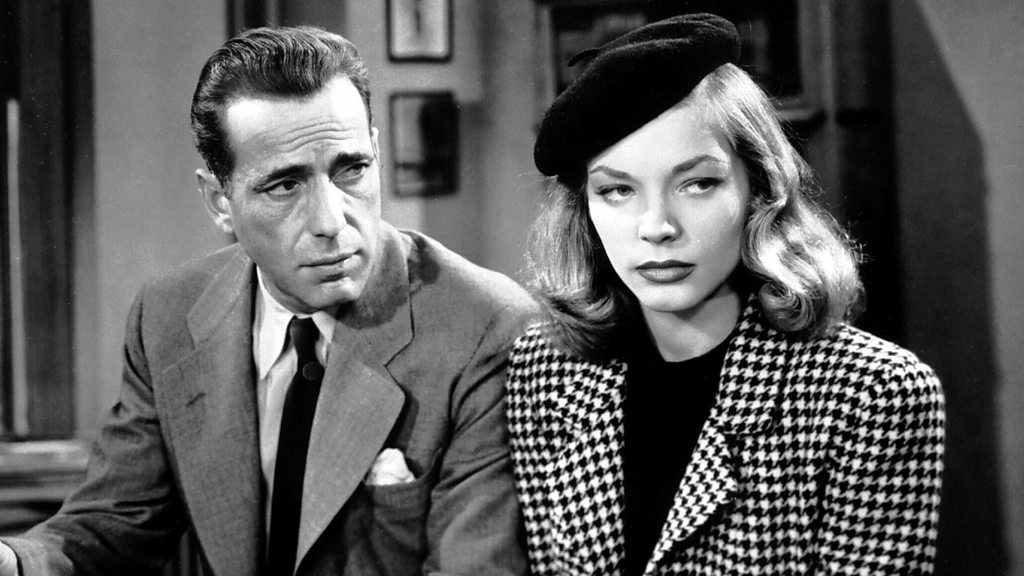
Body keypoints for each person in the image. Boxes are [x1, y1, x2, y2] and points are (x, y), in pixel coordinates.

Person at [0, 26, 537, 576]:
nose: (331, 222)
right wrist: (13, 563)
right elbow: (112, 526)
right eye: (285, 186)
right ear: (220, 201)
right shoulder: (168, 315)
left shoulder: (488, 328)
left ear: (376, 151)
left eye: (351, 169)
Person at [507, 13, 945, 576]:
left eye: (698, 184)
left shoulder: (873, 396)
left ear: (759, 189)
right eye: (617, 191)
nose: (657, 227)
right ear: (584, 210)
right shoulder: (543, 372)